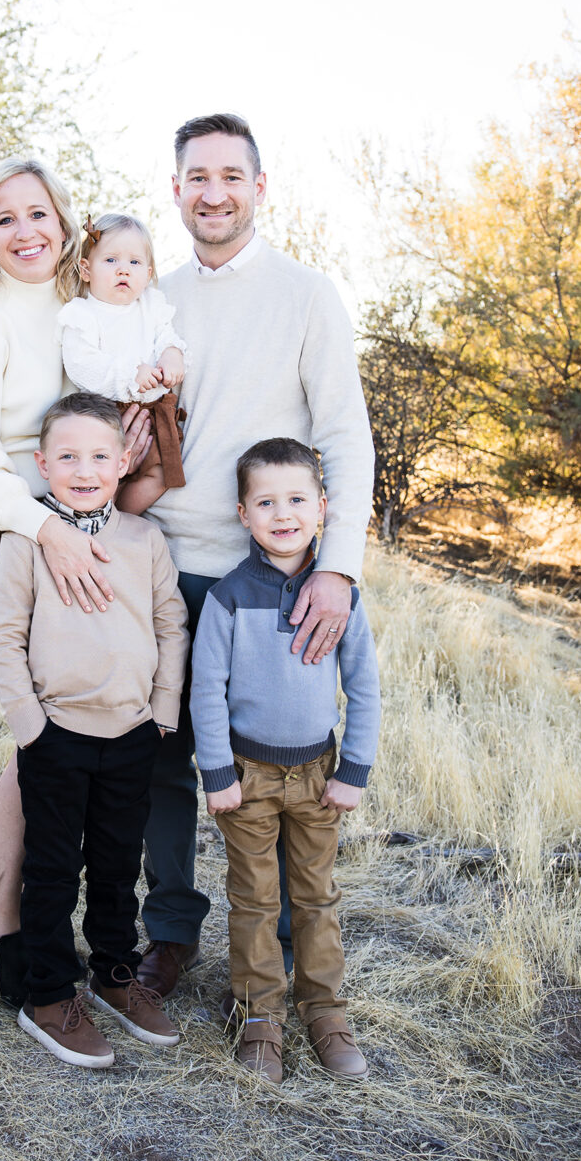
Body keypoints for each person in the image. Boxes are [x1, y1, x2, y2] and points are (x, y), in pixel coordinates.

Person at [137, 113, 375, 999]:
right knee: (165, 758)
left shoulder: (308, 295)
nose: (213, 192)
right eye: (196, 176)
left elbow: (344, 436)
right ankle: (168, 932)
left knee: (280, 760)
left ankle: (278, 949)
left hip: (271, 579)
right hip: (164, 566)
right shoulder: (151, 302)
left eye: (231, 175)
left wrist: (338, 567)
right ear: (175, 190)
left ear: (260, 187)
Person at [0, 158, 151, 1006]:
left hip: (70, 516)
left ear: (63, 220)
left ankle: (5, 924)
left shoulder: (76, 302)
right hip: (1, 526)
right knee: (38, 737)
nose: (25, 232)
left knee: (64, 733)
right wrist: (49, 529)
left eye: (37, 214)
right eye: (3, 219)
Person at [0, 393, 188, 1067]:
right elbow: (3, 640)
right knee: (50, 869)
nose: (83, 468)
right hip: (56, 734)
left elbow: (169, 627)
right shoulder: (28, 539)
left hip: (132, 732)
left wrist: (161, 711)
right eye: (66, 456)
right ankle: (47, 995)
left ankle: (113, 974)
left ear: (124, 462)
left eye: (100, 455)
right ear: (41, 464)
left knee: (115, 864)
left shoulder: (143, 539)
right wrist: (31, 727)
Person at [190, 437, 381, 1084]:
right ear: (242, 515)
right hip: (246, 778)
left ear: (322, 507)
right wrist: (215, 773)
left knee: (315, 898)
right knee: (253, 900)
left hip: (319, 776)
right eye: (265, 501)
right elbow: (205, 691)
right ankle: (259, 1017)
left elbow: (363, 686)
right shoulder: (226, 598)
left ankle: (325, 1011)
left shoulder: (340, 597)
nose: (282, 513)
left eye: (297, 498)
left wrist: (353, 769)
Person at [58, 212, 187, 513]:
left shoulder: (152, 307)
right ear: (86, 270)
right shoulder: (83, 315)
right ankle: (104, 518)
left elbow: (167, 337)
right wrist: (131, 374)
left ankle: (125, 518)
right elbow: (81, 364)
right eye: (111, 260)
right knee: (101, 480)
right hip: (105, 414)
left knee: (161, 473)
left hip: (155, 413)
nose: (123, 271)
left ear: (148, 272)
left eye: (134, 263)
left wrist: (172, 354)